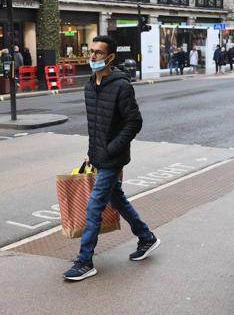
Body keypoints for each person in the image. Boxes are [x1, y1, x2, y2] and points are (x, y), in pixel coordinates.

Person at [63, 35, 160, 281]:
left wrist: (110, 149)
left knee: (94, 206)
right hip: (99, 155)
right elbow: (95, 126)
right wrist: (92, 153)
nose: (92, 56)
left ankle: (85, 261)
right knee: (117, 199)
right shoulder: (89, 86)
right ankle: (146, 237)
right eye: (91, 51)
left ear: (110, 57)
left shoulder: (121, 86)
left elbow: (134, 122)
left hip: (113, 157)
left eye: (97, 53)